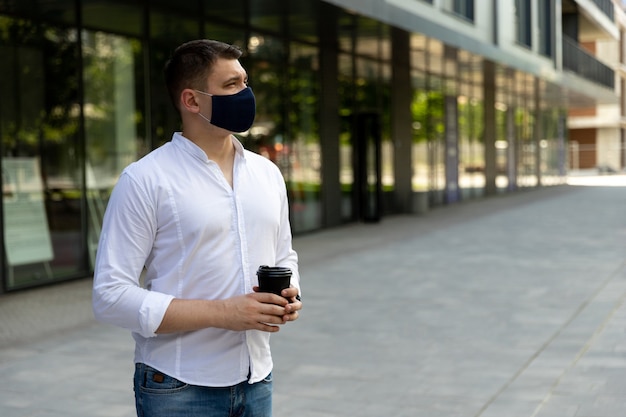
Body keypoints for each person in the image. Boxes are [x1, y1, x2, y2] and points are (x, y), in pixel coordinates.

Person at [92, 39, 302, 417]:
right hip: (178, 386)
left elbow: (284, 254)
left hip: (258, 378)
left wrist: (289, 294)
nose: (246, 93)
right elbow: (110, 295)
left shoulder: (267, 174)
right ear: (192, 101)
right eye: (231, 85)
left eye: (245, 81)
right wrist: (223, 313)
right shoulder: (145, 180)